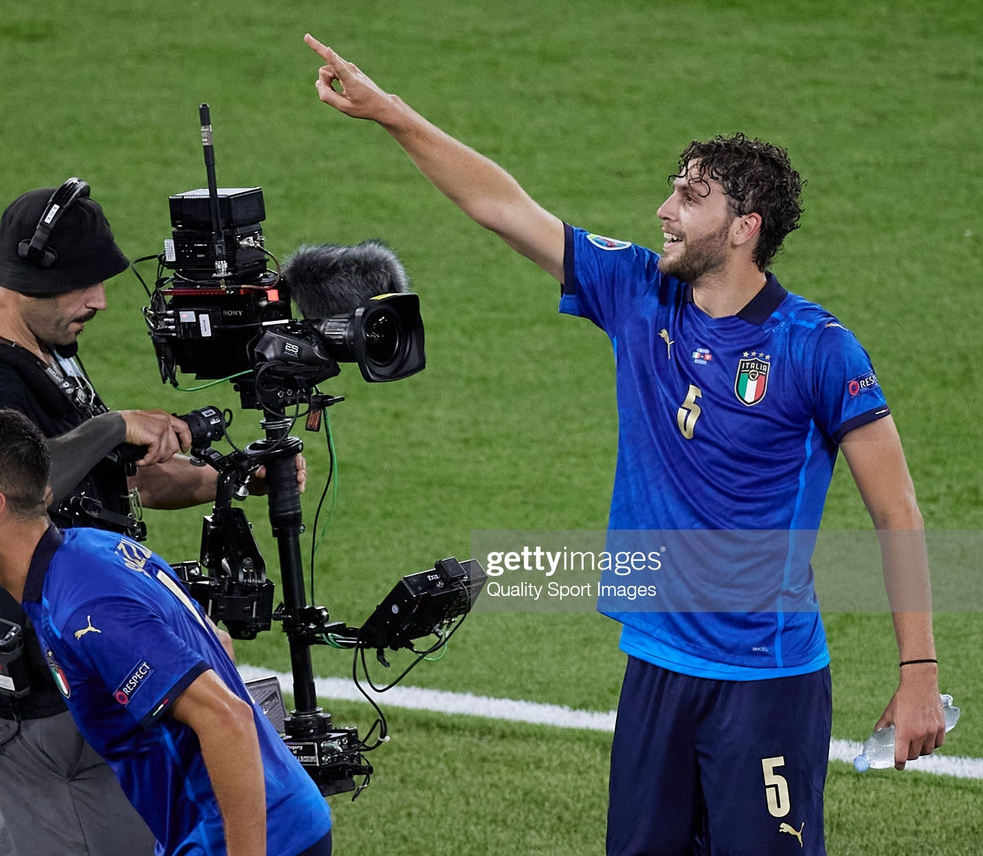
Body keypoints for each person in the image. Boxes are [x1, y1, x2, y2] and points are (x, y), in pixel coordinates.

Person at [304, 33, 945, 855]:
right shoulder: (639, 292)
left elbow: (896, 508)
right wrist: (389, 112)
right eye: (671, 191)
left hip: (767, 680)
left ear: (744, 228)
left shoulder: (818, 348)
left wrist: (918, 674)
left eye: (689, 197)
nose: (663, 210)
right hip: (656, 667)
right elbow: (502, 206)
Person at [0, 180, 225, 856]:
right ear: (27, 278)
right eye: (83, 284)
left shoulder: (45, 351)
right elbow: (23, 488)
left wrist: (230, 477)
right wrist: (112, 426)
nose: (100, 300)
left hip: (79, 655)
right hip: (50, 685)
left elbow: (111, 486)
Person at [0, 408, 333, 856]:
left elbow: (227, 719)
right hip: (270, 821)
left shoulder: (83, 613)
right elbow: (218, 645)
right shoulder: (92, 550)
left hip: (249, 841)